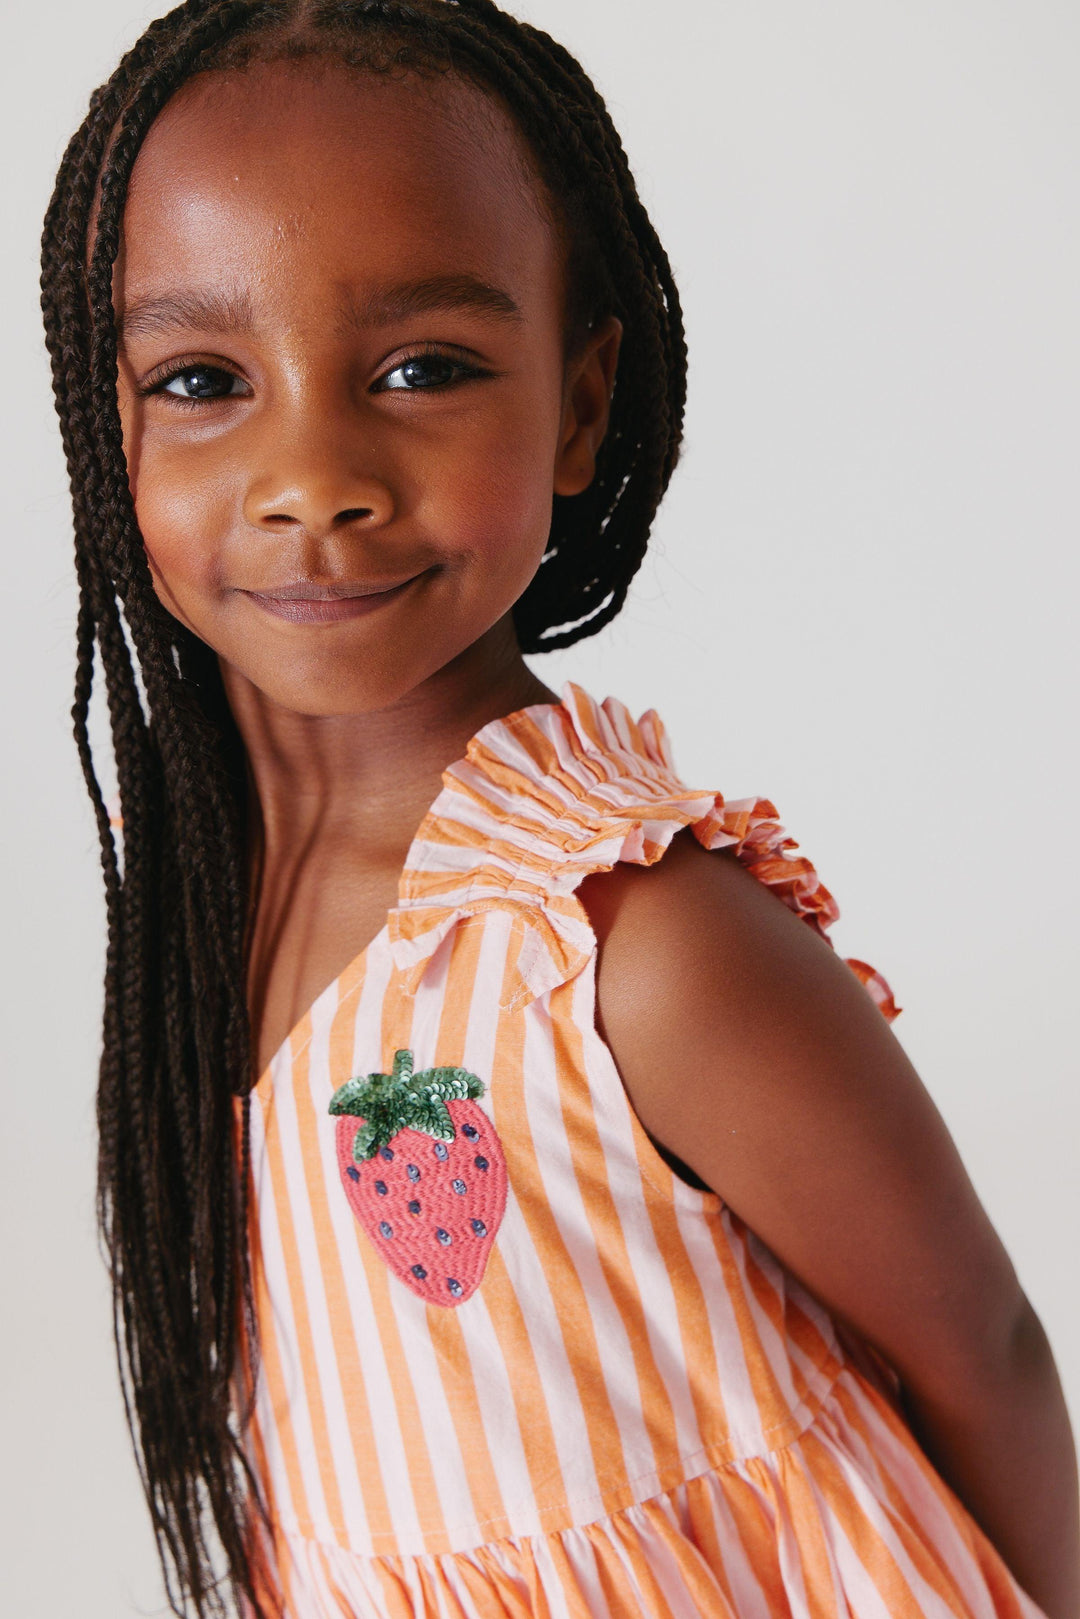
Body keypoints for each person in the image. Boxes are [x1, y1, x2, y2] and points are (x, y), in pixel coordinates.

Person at [40, 2, 1078, 1616]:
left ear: (581, 404)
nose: (314, 476)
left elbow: (983, 1349)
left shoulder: (625, 944)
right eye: (201, 379)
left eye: (422, 369)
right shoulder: (191, 890)